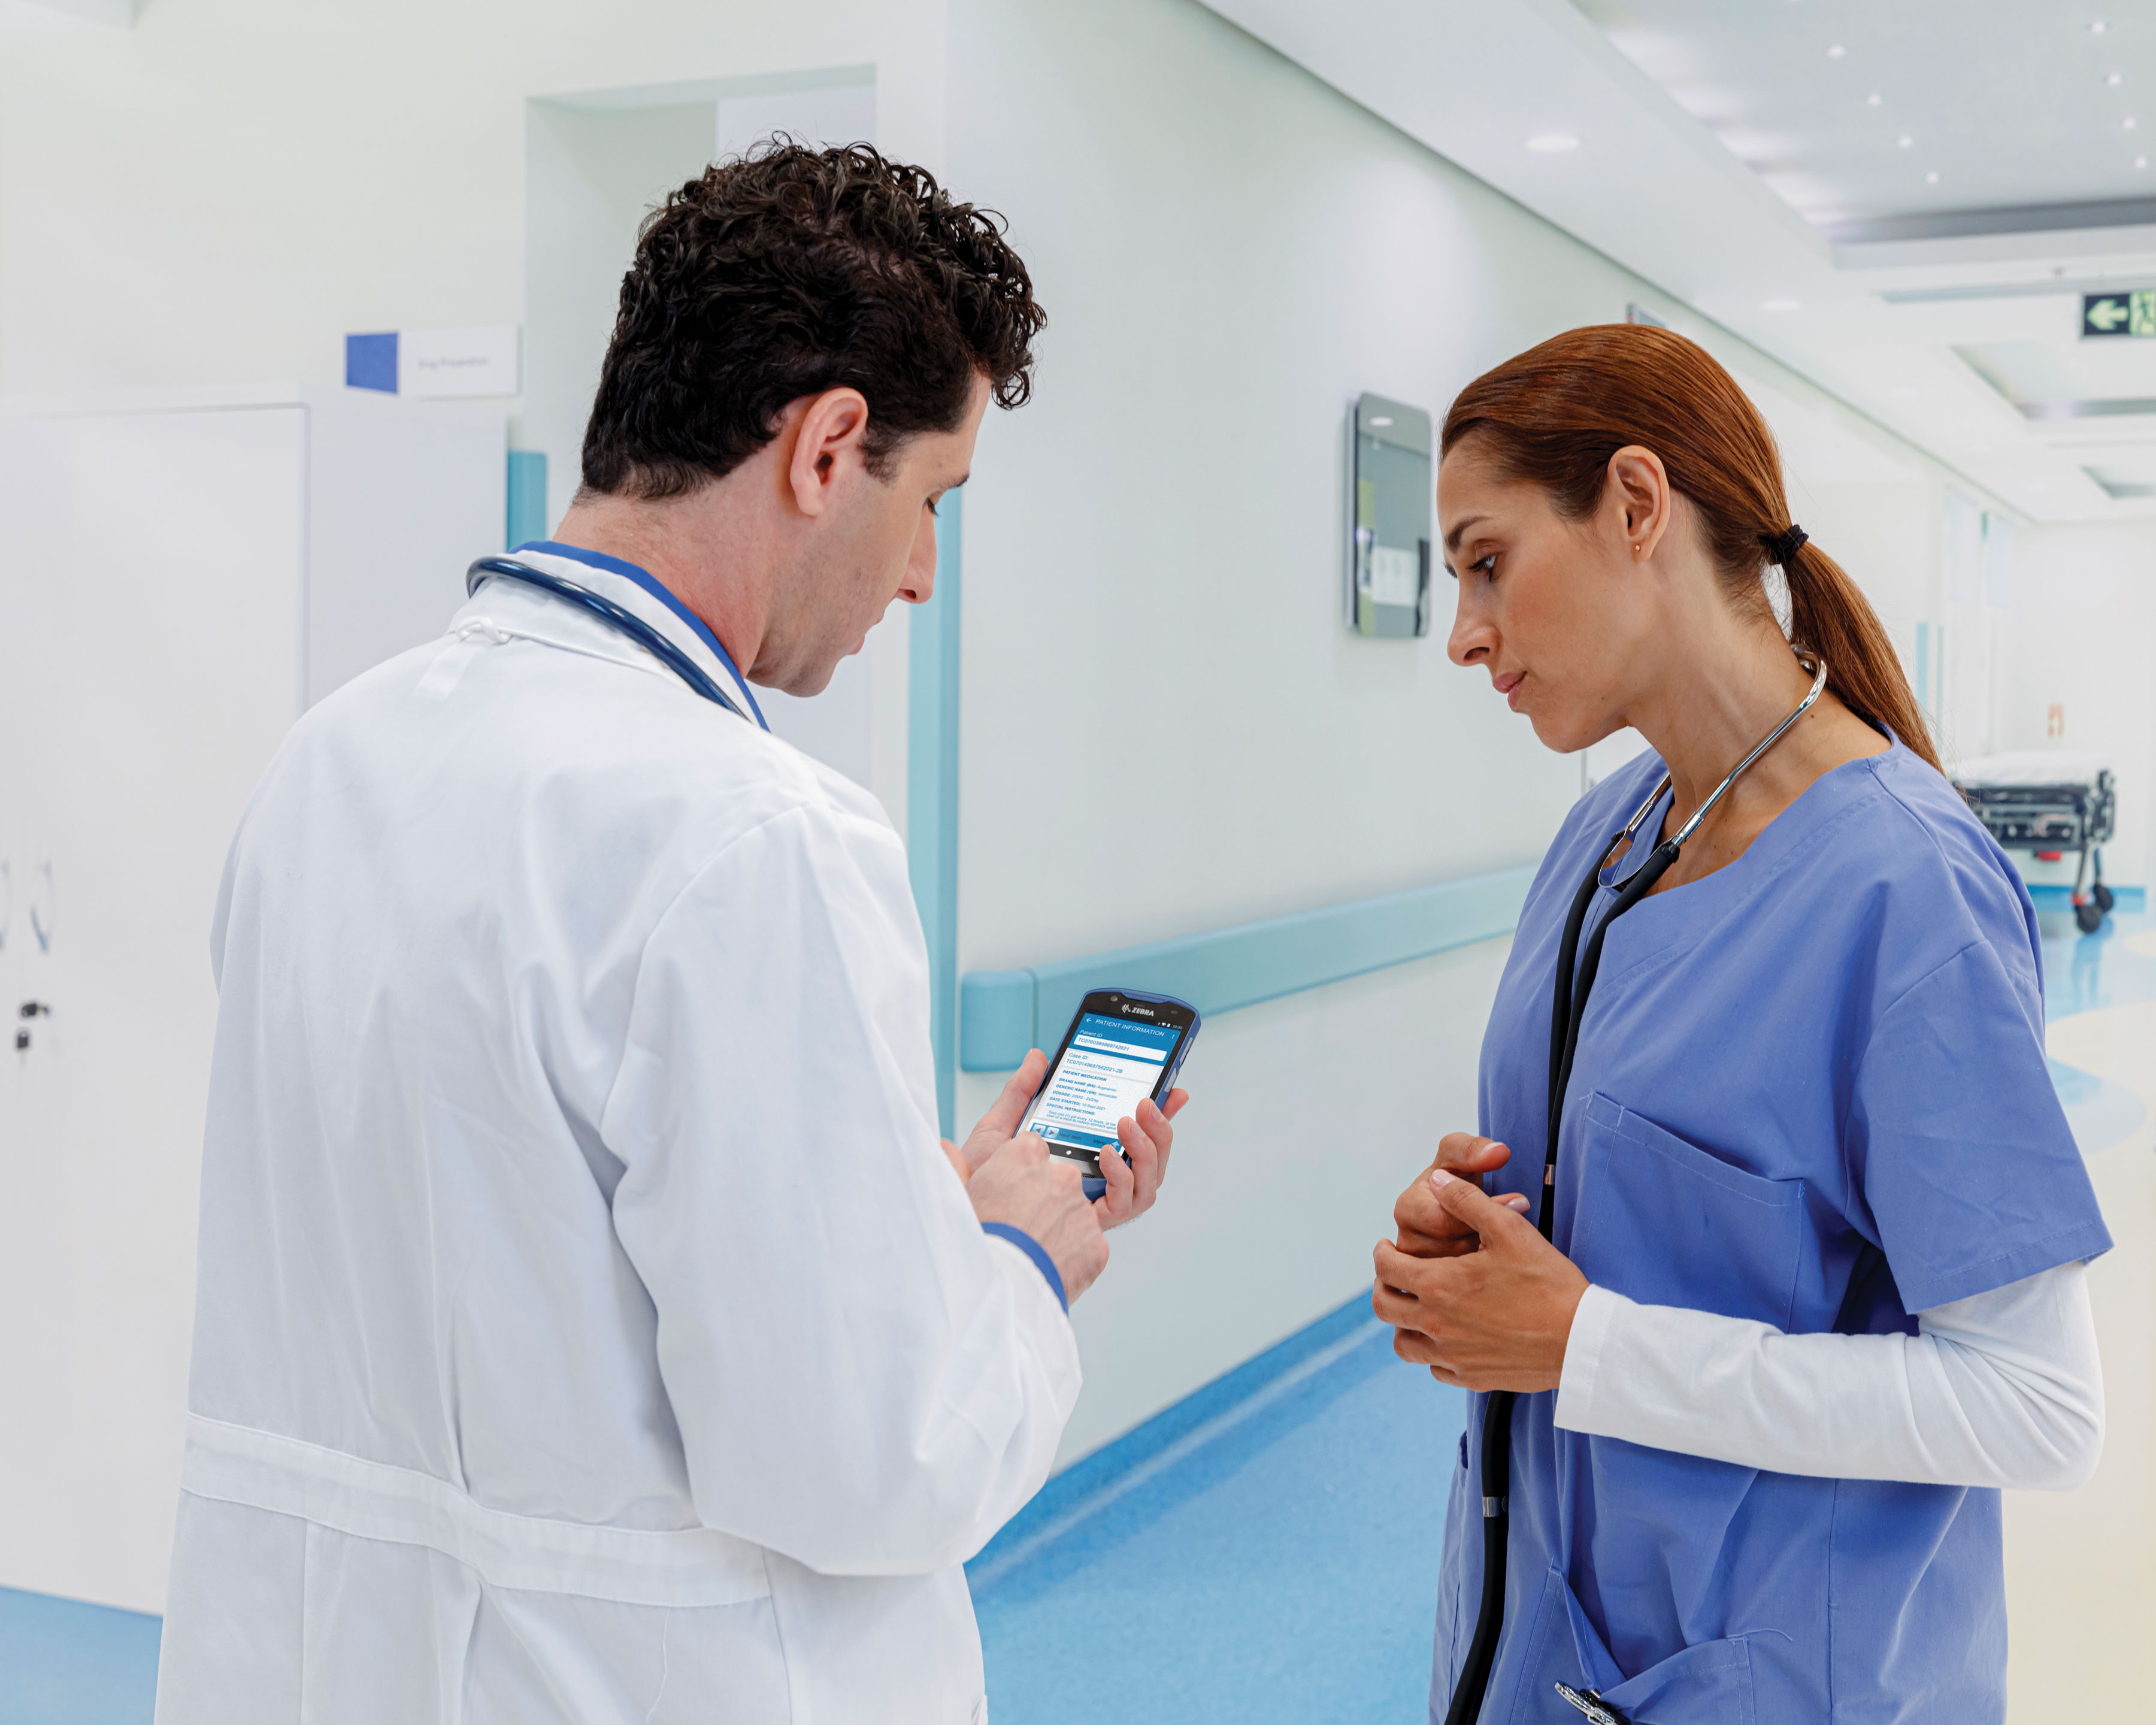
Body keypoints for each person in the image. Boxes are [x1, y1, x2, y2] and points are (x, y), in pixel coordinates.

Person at [153, 143, 1183, 1725]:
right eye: (932, 506)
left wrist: (922, 1220)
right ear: (829, 448)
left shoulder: (332, 761)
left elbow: (516, 1262)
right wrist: (1016, 1261)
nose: (918, 576)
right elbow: (870, 1462)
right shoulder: (750, 836)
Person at [1374, 324, 2106, 1725]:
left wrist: (1583, 1344)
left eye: (1485, 560)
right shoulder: (1606, 841)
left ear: (1637, 507)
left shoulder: (1905, 885)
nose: (1465, 633)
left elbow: (2035, 1407)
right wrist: (1468, 1258)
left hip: (1785, 1680)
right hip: (1545, 1649)